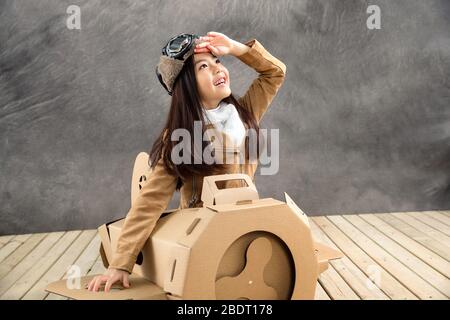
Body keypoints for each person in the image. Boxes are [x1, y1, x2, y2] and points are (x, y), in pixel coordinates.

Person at [87, 31, 286, 292]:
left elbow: (275, 73)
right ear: (187, 85)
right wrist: (120, 263)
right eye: (204, 66)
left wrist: (237, 49)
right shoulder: (181, 137)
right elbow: (150, 202)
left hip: (244, 231)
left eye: (218, 61)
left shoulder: (245, 113)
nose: (217, 69)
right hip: (201, 241)